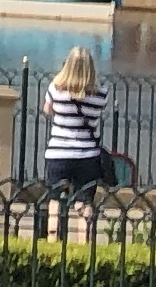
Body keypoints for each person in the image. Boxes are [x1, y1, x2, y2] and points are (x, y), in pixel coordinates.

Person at [41, 45, 118, 196]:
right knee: (84, 202)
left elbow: (47, 109)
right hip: (87, 154)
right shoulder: (101, 93)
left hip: (59, 152)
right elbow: (99, 110)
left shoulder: (55, 88)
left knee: (55, 201)